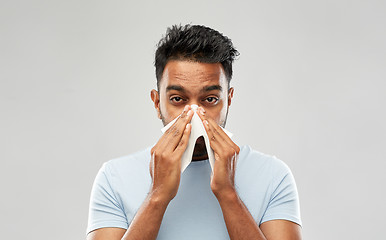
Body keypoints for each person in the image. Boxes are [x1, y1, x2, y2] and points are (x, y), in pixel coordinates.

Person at [86, 24, 302, 240]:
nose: (195, 114)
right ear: (156, 102)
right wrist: (157, 195)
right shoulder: (114, 178)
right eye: (178, 100)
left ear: (229, 100)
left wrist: (228, 195)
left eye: (209, 100)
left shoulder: (274, 175)